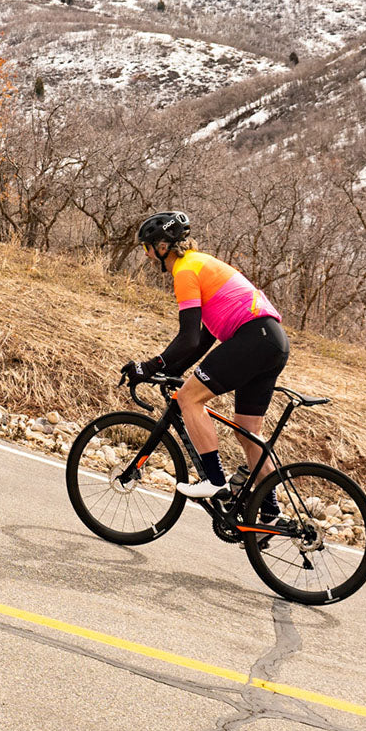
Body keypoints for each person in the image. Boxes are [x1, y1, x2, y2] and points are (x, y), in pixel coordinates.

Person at [121, 211, 289, 520]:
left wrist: (149, 366)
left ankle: (214, 479)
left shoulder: (185, 271)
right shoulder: (202, 263)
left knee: (189, 398)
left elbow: (187, 338)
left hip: (253, 339)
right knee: (248, 432)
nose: (146, 254)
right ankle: (269, 512)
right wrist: (171, 370)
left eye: (147, 247)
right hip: (273, 342)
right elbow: (202, 340)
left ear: (162, 247)